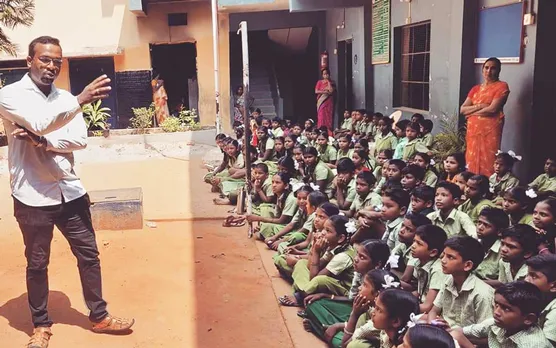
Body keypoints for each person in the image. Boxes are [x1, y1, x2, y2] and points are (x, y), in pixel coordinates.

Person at [0, 36, 134, 347]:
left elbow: (79, 139)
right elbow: (38, 121)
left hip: (69, 191)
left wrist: (44, 142)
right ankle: (41, 325)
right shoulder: (9, 95)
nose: (51, 66)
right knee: (37, 263)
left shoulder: (63, 98)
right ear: (29, 61)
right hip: (32, 195)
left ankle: (99, 317)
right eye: (45, 59)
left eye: (57, 62)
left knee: (89, 255)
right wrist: (78, 101)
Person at [303, 240, 390, 347]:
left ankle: (322, 329)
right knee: (313, 304)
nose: (356, 259)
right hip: (357, 314)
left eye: (362, 257)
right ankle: (328, 329)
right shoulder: (360, 273)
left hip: (364, 324)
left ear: (377, 264)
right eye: (357, 254)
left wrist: (340, 325)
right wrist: (327, 296)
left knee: (346, 343)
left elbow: (365, 326)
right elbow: (352, 299)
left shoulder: (382, 287)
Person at [453, 281, 553, 348]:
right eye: (496, 304)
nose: (496, 312)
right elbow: (460, 332)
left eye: (506, 309)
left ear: (528, 319)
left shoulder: (533, 345)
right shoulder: (495, 324)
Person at [426, 236, 494, 328]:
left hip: (467, 339)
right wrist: (433, 324)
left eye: (450, 257)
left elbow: (486, 332)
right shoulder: (448, 281)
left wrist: (451, 332)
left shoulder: (483, 294)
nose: (443, 260)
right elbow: (434, 311)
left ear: (467, 265)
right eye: (444, 254)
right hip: (444, 332)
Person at [460, 57, 510, 177]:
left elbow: (493, 109)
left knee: (489, 157)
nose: (489, 71)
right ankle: (471, 183)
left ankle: (487, 186)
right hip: (473, 131)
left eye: (493, 68)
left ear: (499, 70)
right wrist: (480, 106)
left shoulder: (502, 86)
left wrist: (471, 113)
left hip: (490, 130)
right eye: (486, 68)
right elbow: (462, 109)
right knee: (471, 156)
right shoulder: (475, 89)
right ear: (482, 70)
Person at [409, 225, 448, 313]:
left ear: (433, 252)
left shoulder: (438, 270)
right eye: (414, 241)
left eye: (419, 243)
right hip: (421, 305)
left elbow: (427, 306)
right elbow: (420, 293)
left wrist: (403, 309)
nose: (413, 246)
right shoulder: (419, 262)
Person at [525, 254, 556, 346]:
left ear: (554, 286)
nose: (526, 280)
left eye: (533, 276)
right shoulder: (536, 297)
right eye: (527, 274)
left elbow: (544, 346)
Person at [475, 207, 509, 281]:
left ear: (499, 231)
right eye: (479, 222)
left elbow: (503, 282)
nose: (480, 227)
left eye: (486, 225)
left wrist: (476, 282)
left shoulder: (504, 250)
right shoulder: (474, 243)